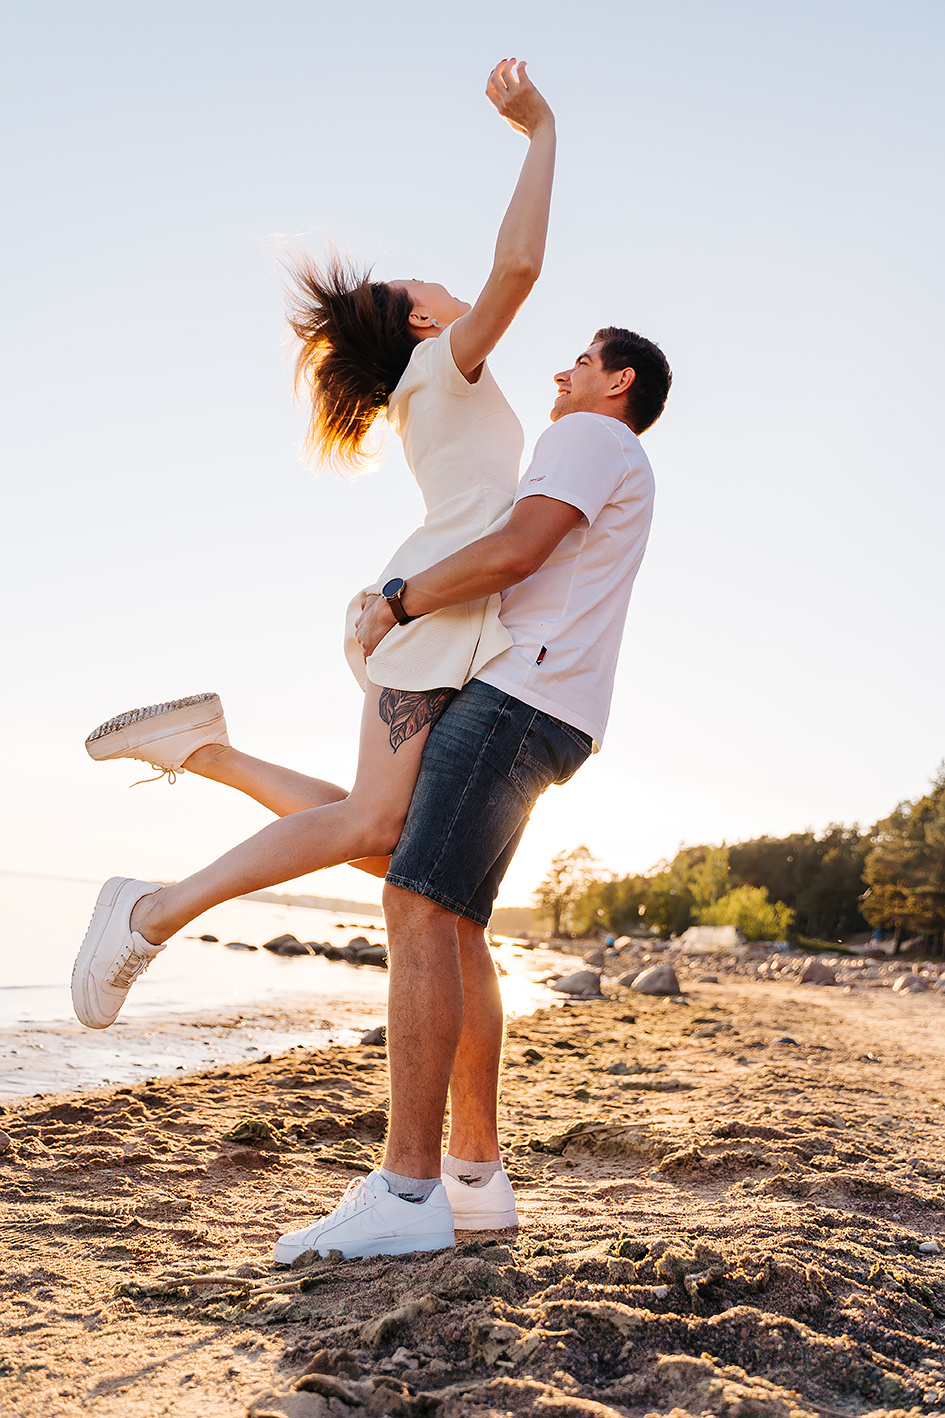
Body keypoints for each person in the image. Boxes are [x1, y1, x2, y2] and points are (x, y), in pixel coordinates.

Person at [271, 324, 671, 1262]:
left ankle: (405, 1189)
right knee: (451, 922)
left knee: (411, 904)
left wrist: (398, 599)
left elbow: (517, 550)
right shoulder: (617, 459)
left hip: (516, 698)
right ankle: (476, 1181)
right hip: (554, 707)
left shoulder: (589, 436)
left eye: (581, 360)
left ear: (617, 383)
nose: (562, 372)